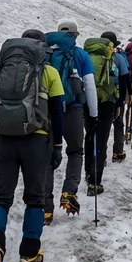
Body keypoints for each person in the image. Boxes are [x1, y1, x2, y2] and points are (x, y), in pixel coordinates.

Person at [0, 31, 65, 262]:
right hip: (36, 141)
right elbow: (58, 113)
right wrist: (57, 145)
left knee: (0, 199)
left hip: (2, 140)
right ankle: (28, 255)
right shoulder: (49, 72)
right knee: (34, 199)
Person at [43, 20, 98, 221]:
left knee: (47, 157)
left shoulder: (44, 52)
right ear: (74, 34)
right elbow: (90, 86)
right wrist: (93, 114)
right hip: (72, 109)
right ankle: (69, 192)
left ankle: (45, 208)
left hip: (47, 111)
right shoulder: (80, 54)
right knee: (75, 150)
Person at [82, 35, 121, 196]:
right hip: (107, 102)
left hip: (87, 101)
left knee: (89, 135)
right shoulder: (112, 59)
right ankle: (95, 182)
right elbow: (119, 80)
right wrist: (118, 104)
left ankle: (87, 172)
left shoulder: (84, 57)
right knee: (101, 138)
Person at [102, 33, 130, 163]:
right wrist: (121, 100)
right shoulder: (118, 57)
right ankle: (117, 152)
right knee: (118, 124)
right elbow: (124, 78)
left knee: (102, 126)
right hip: (115, 95)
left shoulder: (94, 57)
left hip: (99, 97)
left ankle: (101, 155)